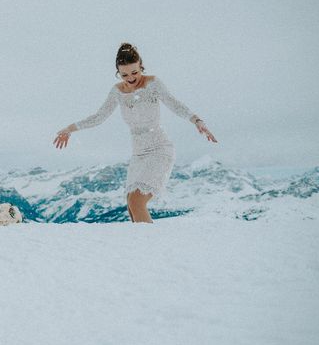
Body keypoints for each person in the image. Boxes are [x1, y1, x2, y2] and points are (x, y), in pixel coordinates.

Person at [53, 43, 217, 223]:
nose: (130, 78)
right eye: (124, 74)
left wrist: (197, 121)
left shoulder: (153, 84)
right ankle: (142, 246)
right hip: (138, 154)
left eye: (134, 72)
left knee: (137, 201)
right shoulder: (117, 91)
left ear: (141, 66)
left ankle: (150, 246)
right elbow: (99, 116)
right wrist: (70, 128)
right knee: (131, 205)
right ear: (118, 72)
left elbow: (173, 103)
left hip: (159, 149)